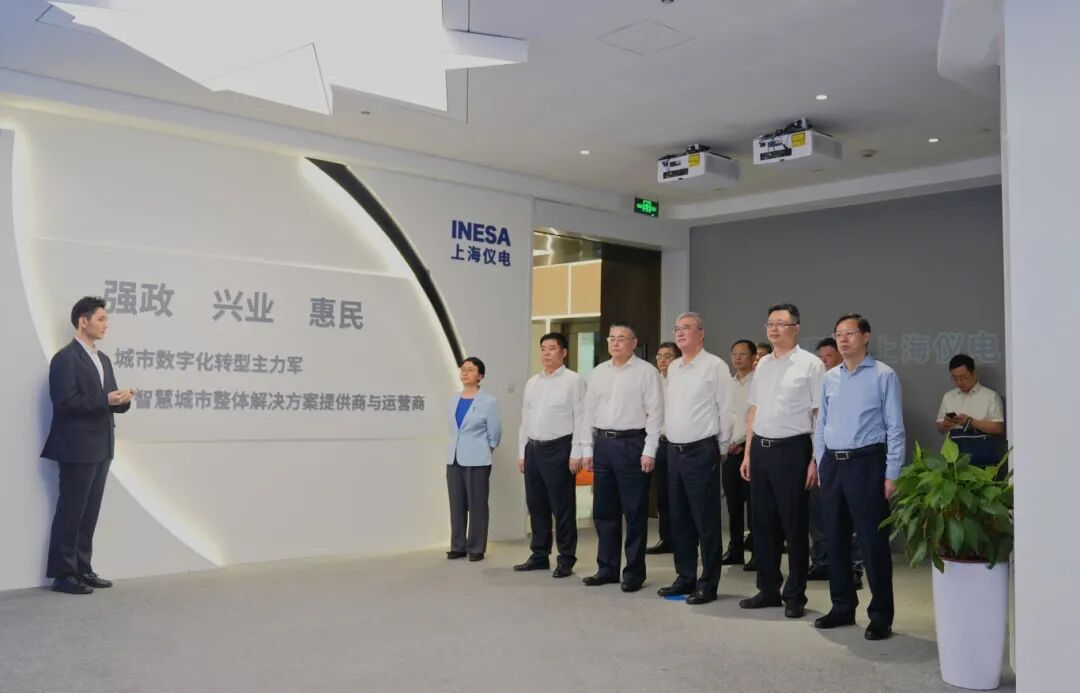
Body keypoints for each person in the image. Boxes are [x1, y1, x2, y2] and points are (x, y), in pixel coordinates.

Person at [814, 314, 905, 641]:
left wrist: (892, 473)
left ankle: (880, 615)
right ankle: (841, 606)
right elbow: (821, 424)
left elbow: (895, 427)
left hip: (867, 463)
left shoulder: (883, 375)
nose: (843, 339)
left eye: (850, 333)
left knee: (872, 542)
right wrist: (821, 464)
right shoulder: (829, 378)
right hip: (833, 465)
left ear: (866, 336)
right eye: (838, 334)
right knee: (835, 539)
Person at [43, 296, 134, 595]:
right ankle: (63, 574)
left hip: (102, 445)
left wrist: (122, 401)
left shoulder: (102, 359)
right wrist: (105, 400)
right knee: (71, 511)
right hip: (76, 446)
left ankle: (83, 568)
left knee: (89, 513)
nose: (106, 325)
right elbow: (65, 402)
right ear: (83, 321)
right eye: (101, 319)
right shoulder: (65, 358)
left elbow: (107, 400)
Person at [738, 304, 824, 619]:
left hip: (793, 449)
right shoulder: (762, 365)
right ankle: (768, 589)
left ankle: (795, 595)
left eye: (781, 323)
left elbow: (819, 414)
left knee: (793, 525)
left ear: (796, 328)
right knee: (762, 524)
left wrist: (815, 458)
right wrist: (748, 452)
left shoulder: (811, 364)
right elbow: (754, 410)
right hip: (761, 448)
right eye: (770, 323)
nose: (774, 329)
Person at [581, 322, 664, 592]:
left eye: (621, 338)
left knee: (635, 512)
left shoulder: (646, 372)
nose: (615, 343)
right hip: (603, 444)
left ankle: (634, 573)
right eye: (611, 338)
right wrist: (587, 449)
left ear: (633, 343)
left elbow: (656, 414)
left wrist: (649, 450)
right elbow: (588, 413)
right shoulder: (598, 372)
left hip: (632, 444)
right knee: (604, 511)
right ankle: (607, 568)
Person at [656, 313, 732, 605]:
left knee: (705, 520)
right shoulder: (674, 367)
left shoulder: (715, 366)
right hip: (674, 451)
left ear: (702, 333)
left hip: (701, 450)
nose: (680, 332)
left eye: (687, 328)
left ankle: (708, 583)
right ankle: (685, 576)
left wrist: (721, 447)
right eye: (677, 328)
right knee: (679, 518)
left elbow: (726, 410)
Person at [514, 333, 587, 578]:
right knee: (537, 505)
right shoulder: (532, 382)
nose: (546, 353)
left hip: (559, 449)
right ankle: (539, 555)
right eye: (543, 348)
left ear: (563, 352)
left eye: (552, 348)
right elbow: (525, 419)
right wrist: (522, 452)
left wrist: (577, 452)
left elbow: (581, 418)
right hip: (533, 449)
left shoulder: (573, 381)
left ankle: (566, 558)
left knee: (562, 507)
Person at [808, 338, 864, 589]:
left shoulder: (851, 384)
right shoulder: (818, 383)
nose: (823, 362)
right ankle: (822, 563)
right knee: (819, 517)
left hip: (849, 459)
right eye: (820, 357)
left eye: (828, 357)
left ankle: (854, 568)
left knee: (850, 517)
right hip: (820, 458)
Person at [446, 356, 502, 562]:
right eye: (463, 369)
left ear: (480, 376)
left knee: (477, 505)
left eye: (470, 370)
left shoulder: (489, 401)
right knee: (456, 504)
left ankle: (476, 547)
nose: (465, 373)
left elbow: (495, 432)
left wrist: (485, 449)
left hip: (477, 459)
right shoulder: (453, 400)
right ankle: (457, 545)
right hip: (454, 458)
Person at [721, 339, 756, 569]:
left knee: (754, 506)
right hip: (729, 452)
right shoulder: (728, 383)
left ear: (753, 357)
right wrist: (726, 443)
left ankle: (757, 552)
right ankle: (735, 550)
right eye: (734, 353)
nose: (738, 358)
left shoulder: (759, 382)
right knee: (733, 505)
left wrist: (739, 441)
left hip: (749, 450)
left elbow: (755, 417)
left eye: (743, 354)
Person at [936, 353, 1005, 469]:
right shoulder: (948, 397)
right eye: (955, 378)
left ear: (974, 373)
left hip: (983, 460)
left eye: (963, 377)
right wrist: (946, 423)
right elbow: (940, 428)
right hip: (955, 461)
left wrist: (969, 422)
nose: (959, 382)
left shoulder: (990, 396)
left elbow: (998, 428)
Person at [646, 341, 681, 555]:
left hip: (680, 444)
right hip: (659, 442)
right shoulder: (654, 382)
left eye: (668, 356)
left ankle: (685, 540)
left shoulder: (683, 381)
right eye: (659, 356)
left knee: (680, 494)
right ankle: (666, 538)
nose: (662, 360)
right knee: (662, 494)